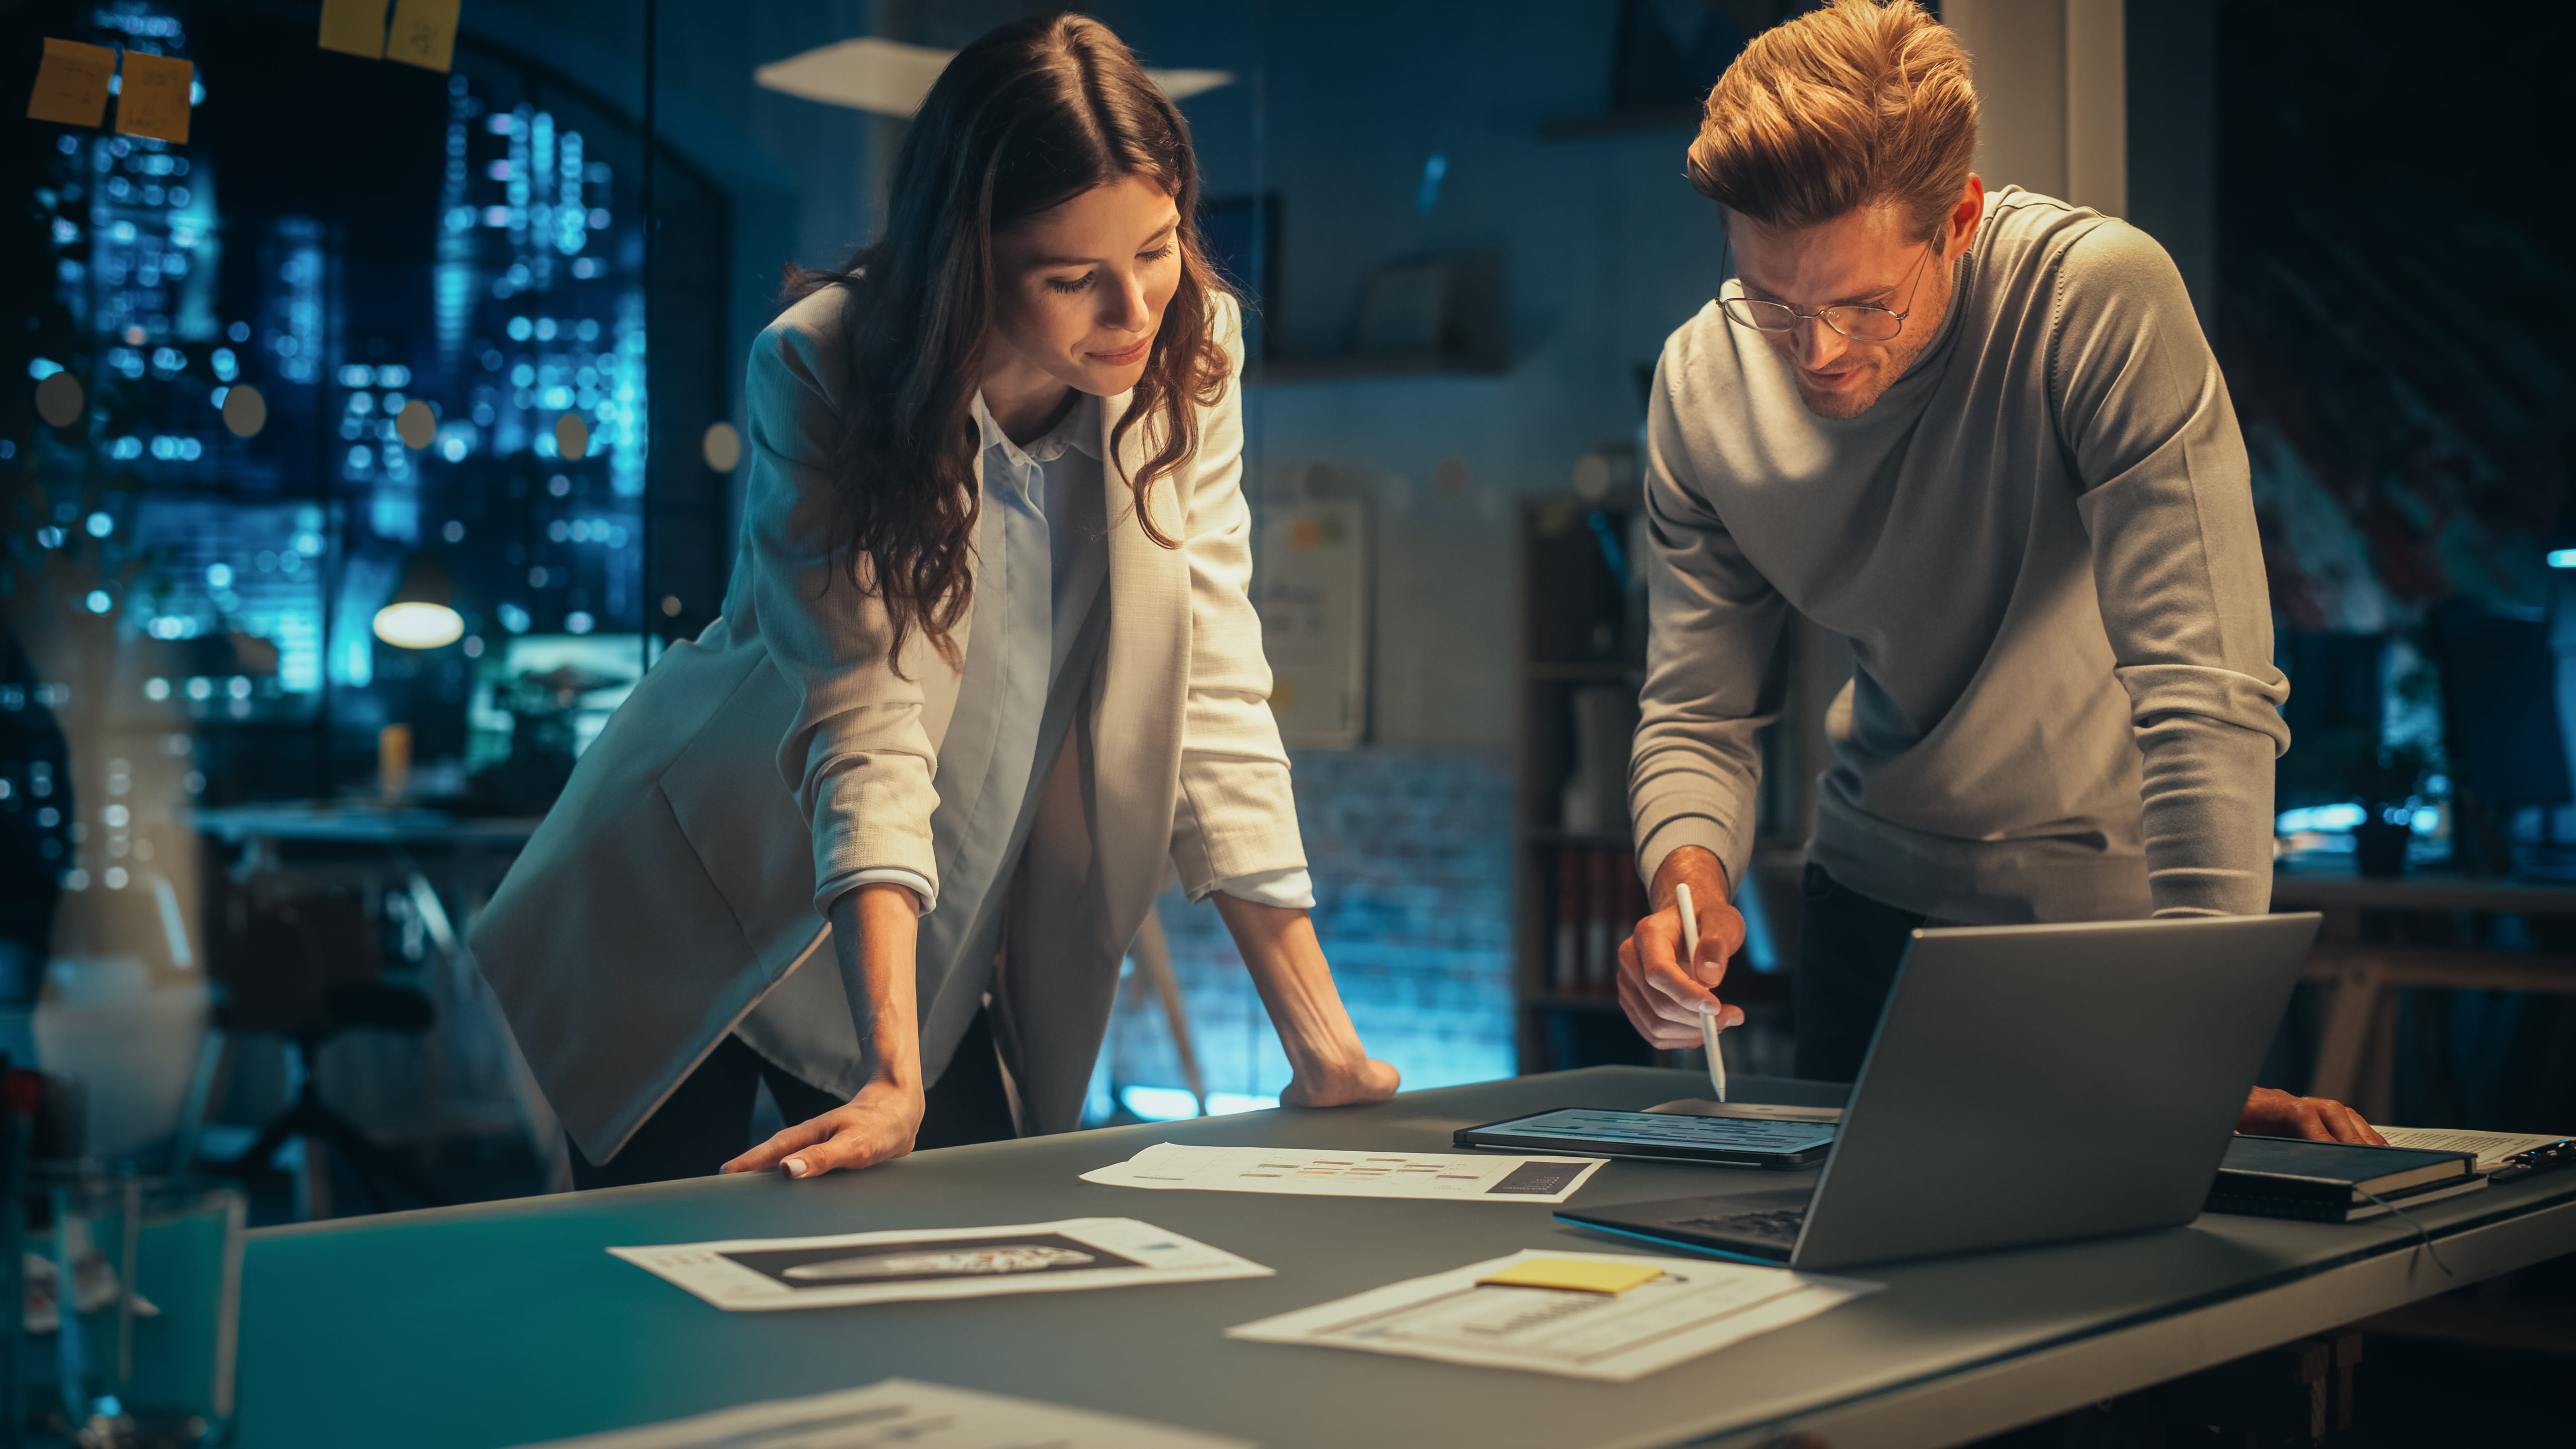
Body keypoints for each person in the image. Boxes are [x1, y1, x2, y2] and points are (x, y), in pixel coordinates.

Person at [473, 13, 1397, 1188]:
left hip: (926, 950)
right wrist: (892, 1079)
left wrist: (1323, 1047)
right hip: (702, 912)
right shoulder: (819, 365)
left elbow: (1210, 684)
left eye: (1158, 250)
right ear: (967, 259)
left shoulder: (1183, 353)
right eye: (1074, 278)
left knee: (958, 1288)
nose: (1134, 311)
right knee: (662, 1316)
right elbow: (863, 722)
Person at [1613, 0, 2379, 1144]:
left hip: (2126, 928)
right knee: (1861, 1305)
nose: (1816, 354)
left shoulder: (2095, 302)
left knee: (2140, 1305)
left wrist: (2197, 1037)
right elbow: (1696, 709)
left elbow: (2202, 690)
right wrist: (1689, 889)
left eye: (1866, 303)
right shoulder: (1700, 385)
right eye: (1775, 301)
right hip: (1872, 913)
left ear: (1959, 220)